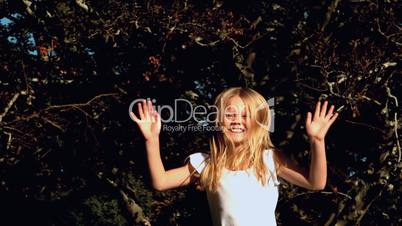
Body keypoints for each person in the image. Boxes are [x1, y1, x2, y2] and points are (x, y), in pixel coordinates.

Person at [130, 87, 339, 226]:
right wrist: (152, 140)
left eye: (246, 115)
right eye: (230, 115)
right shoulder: (206, 163)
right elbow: (160, 181)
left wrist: (317, 142)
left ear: (259, 122)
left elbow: (315, 183)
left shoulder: (270, 159)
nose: (237, 121)